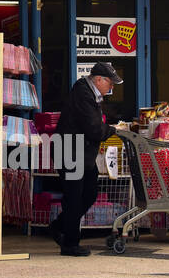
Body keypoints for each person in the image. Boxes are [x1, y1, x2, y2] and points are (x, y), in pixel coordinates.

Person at [47, 61, 121, 256]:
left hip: (82, 153)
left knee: (89, 193)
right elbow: (94, 128)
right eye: (110, 83)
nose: (112, 87)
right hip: (70, 152)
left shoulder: (91, 94)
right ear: (98, 79)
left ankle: (59, 225)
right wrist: (114, 130)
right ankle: (70, 244)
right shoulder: (83, 94)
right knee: (74, 196)